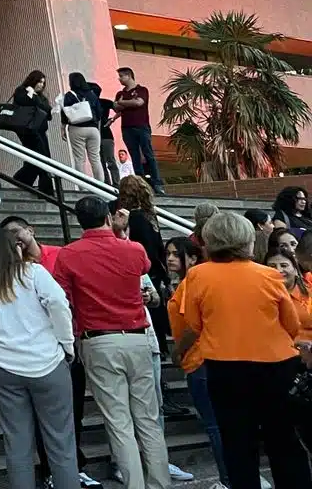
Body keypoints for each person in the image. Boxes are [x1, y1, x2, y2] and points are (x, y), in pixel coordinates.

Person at [176, 211, 311, 489]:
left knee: (238, 446)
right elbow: (291, 322)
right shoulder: (269, 275)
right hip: (276, 365)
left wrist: (181, 351)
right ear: (248, 241)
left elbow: (192, 324)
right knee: (283, 442)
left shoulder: (197, 276)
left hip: (226, 368)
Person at [54, 197, 169, 489]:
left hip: (98, 339)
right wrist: (119, 233)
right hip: (137, 336)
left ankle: (135, 485)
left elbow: (63, 300)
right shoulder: (132, 249)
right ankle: (160, 482)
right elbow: (142, 265)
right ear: (107, 216)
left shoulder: (68, 255)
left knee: (119, 422)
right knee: (148, 419)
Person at [0, 225, 78, 489]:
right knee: (60, 441)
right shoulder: (33, 273)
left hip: (3, 365)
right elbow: (58, 303)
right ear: (13, 249)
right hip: (46, 360)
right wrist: (67, 343)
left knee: (17, 443)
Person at [4, 216, 99, 489]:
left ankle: (72, 470)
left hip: (67, 344)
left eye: (17, 231)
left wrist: (71, 341)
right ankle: (50, 472)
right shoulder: (8, 271)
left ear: (30, 229)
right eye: (8, 235)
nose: (15, 238)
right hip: (34, 353)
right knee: (38, 419)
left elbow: (72, 297)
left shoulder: (59, 256)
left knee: (72, 412)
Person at [166, 237, 227, 487]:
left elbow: (192, 325)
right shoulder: (190, 283)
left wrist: (177, 352)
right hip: (209, 357)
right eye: (167, 253)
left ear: (192, 258)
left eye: (175, 254)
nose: (170, 258)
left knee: (215, 426)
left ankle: (227, 480)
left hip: (199, 358)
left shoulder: (192, 283)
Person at [117, 176, 169, 340]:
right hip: (154, 268)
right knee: (156, 306)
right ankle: (161, 344)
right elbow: (158, 245)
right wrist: (165, 275)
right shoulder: (149, 216)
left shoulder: (128, 219)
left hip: (137, 268)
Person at [113, 68, 164, 195]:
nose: (119, 79)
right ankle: (141, 185)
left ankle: (157, 183)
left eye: (121, 76)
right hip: (127, 128)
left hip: (142, 126)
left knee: (148, 154)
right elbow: (116, 107)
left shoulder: (141, 90)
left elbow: (139, 102)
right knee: (135, 156)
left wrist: (123, 103)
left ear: (129, 76)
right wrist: (125, 103)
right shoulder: (120, 93)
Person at [11, 70, 55, 191]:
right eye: (39, 82)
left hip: (40, 130)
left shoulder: (40, 97)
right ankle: (45, 189)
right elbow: (23, 102)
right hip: (27, 130)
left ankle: (23, 180)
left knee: (42, 157)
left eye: (43, 83)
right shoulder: (21, 91)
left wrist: (35, 97)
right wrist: (32, 96)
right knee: (40, 156)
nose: (41, 85)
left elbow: (48, 113)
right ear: (32, 81)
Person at [61, 72, 105, 183]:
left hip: (76, 129)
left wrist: (63, 129)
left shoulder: (69, 95)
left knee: (79, 159)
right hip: (93, 129)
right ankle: (101, 185)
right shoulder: (92, 94)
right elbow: (99, 112)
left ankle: (82, 187)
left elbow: (65, 113)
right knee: (95, 158)